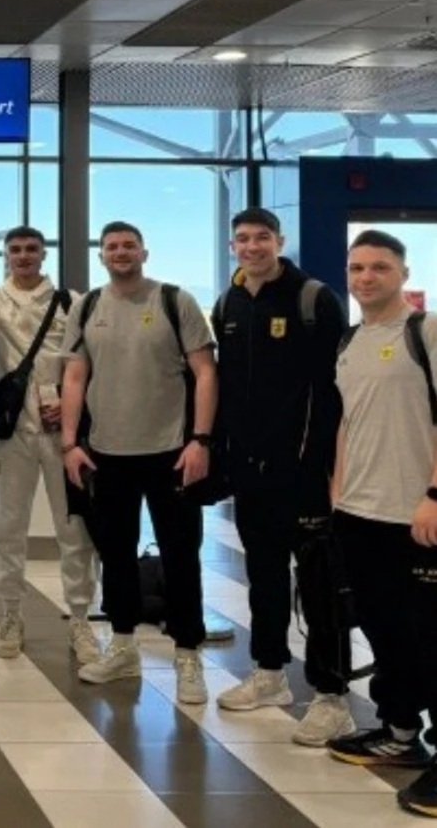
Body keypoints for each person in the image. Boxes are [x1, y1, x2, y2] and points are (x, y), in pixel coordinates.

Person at [210, 207, 355, 745]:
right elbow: (229, 386)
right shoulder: (228, 303)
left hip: (304, 471)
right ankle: (269, 673)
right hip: (251, 471)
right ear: (233, 246)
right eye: (243, 239)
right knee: (264, 576)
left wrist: (325, 467)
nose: (252, 246)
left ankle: (331, 695)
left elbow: (332, 392)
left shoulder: (313, 299)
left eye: (262, 237)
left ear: (279, 240)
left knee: (319, 585)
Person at [60, 221, 216, 705]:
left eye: (129, 245)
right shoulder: (88, 306)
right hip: (106, 454)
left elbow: (205, 371)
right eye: (112, 246)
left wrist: (201, 440)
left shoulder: (174, 301)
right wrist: (69, 444)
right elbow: (74, 376)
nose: (120, 252)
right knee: (116, 555)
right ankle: (123, 645)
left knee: (180, 555)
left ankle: (187, 654)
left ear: (144, 252)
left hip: (171, 452)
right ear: (102, 255)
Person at [326, 230, 437, 820]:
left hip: (416, 513)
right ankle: (400, 730)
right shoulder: (351, 340)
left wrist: (434, 495)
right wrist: (339, 492)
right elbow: (349, 421)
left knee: (430, 635)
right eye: (357, 268)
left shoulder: (426, 331)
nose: (366, 278)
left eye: (379, 267)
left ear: (403, 273)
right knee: (383, 627)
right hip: (360, 512)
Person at [0, 227, 100, 665]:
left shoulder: (72, 302)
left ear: (43, 254)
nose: (23, 256)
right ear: (6, 255)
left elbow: (87, 365)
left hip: (61, 433)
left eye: (31, 249)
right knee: (8, 527)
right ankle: (11, 614)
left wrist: (72, 408)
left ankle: (80, 619)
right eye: (15, 250)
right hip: (11, 432)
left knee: (73, 528)